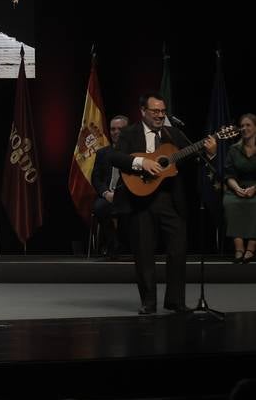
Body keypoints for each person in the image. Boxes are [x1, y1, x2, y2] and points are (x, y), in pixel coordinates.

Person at [107, 96, 217, 314]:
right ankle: (148, 302)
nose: (159, 115)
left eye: (162, 111)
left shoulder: (173, 134)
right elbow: (114, 157)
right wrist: (142, 162)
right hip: (140, 199)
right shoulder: (130, 133)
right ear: (142, 111)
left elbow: (195, 157)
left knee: (178, 249)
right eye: (155, 111)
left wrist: (210, 152)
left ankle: (175, 301)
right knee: (144, 252)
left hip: (169, 200)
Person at [90, 114, 130, 257]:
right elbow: (96, 178)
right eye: (113, 129)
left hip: (127, 195)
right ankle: (113, 244)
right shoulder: (102, 153)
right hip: (108, 195)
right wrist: (106, 193)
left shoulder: (135, 153)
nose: (116, 132)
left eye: (120, 129)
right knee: (99, 207)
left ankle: (124, 245)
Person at [224, 113, 256, 263]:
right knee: (231, 202)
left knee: (254, 204)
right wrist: (236, 188)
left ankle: (251, 248)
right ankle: (239, 248)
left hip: (255, 187)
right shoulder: (234, 149)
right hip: (238, 186)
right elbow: (228, 174)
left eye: (248, 125)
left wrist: (254, 188)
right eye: (242, 126)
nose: (244, 128)